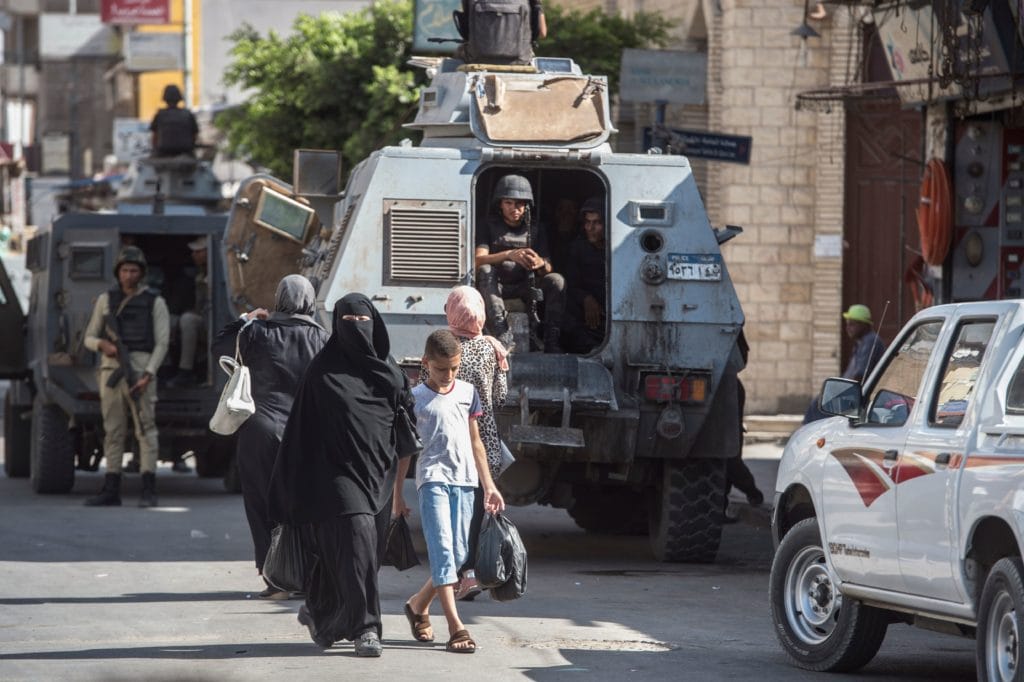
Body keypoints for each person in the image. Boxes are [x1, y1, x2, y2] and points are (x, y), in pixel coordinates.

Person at [268, 293, 413, 657]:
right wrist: (290, 487)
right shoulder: (321, 372)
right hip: (336, 480)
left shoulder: (389, 372)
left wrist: (399, 489)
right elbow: (299, 431)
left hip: (378, 475)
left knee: (360, 557)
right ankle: (367, 628)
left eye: (362, 322)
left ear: (374, 324)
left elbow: (404, 425)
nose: (356, 329)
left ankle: (321, 612)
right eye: (347, 323)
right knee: (357, 542)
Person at [212, 275, 329, 599]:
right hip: (303, 434)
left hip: (259, 430)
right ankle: (304, 575)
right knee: (303, 505)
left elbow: (220, 346)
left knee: (262, 504)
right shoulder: (321, 338)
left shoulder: (257, 333)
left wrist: (246, 319)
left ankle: (274, 579)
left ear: (279, 298)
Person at [393, 329, 505, 654]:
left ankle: (417, 605)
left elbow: (476, 442)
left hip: (466, 482)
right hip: (433, 481)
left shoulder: (468, 393)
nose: (449, 375)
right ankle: (456, 627)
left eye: (454, 368)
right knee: (443, 551)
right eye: (442, 368)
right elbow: (406, 453)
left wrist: (490, 486)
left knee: (456, 558)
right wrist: (399, 495)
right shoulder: (415, 399)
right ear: (426, 362)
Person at [410, 286, 509, 601]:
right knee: (474, 514)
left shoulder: (444, 347)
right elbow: (500, 397)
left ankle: (454, 576)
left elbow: (424, 390)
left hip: (446, 442)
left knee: (449, 518)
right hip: (483, 443)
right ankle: (465, 575)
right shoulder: (492, 349)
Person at [82, 246, 170, 507]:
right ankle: (111, 489)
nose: (129, 275)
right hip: (111, 372)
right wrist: (102, 346)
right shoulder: (105, 301)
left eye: (134, 270)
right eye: (124, 270)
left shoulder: (156, 301)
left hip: (141, 372)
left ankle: (148, 488)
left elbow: (163, 343)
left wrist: (149, 374)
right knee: (113, 431)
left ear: (141, 273)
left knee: (146, 430)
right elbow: (89, 337)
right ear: (118, 272)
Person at [475, 173, 565, 353]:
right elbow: (478, 259)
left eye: (519, 204)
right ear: (500, 204)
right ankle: (502, 334)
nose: (514, 208)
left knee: (557, 280)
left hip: (525, 286)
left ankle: (551, 340)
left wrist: (540, 263)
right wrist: (509, 254)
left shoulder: (535, 230)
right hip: (496, 287)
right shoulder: (488, 226)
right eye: (508, 203)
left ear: (526, 206)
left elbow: (548, 267)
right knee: (485, 270)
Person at [803, 303, 887, 423]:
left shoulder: (870, 342)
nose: (848, 328)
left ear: (864, 325)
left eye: (852, 324)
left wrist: (839, 391)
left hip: (861, 398)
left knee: (819, 406)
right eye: (847, 324)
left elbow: (859, 375)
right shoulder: (861, 343)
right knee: (818, 403)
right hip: (853, 394)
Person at [562, 196, 606, 354]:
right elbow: (571, 283)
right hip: (584, 309)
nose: (590, 228)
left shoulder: (616, 251)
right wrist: (586, 298)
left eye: (597, 223)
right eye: (588, 222)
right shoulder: (578, 249)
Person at [167, 238, 208, 387]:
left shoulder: (218, 272)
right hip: (206, 321)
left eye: (198, 251)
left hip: (220, 324)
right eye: (193, 252)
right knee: (173, 320)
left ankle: (186, 372)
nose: (194, 255)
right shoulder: (200, 275)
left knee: (188, 320)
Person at [454, 0, 546, 65]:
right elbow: (542, 32)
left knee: (459, 52)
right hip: (521, 59)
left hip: (477, 58)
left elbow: (466, 32)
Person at [149, 84, 199, 157]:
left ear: (165, 99)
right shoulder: (188, 115)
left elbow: (154, 137)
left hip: (162, 155)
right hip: (186, 154)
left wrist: (155, 150)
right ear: (179, 99)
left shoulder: (160, 115)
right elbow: (194, 135)